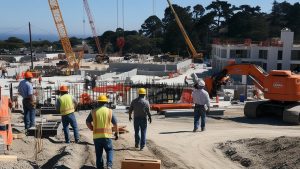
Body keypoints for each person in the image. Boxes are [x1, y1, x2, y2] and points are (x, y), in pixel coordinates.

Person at [86, 95, 118, 169]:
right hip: (107, 136)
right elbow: (115, 123)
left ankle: (100, 167)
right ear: (106, 102)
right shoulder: (110, 111)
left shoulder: (93, 111)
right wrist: (116, 133)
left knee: (99, 154)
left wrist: (92, 128)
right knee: (109, 150)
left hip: (97, 137)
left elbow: (87, 122)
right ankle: (109, 165)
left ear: (98, 102)